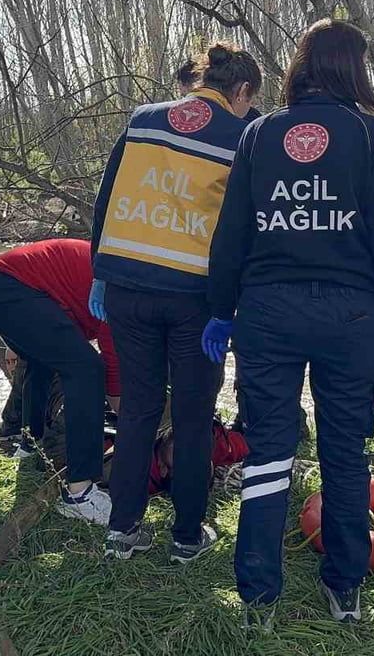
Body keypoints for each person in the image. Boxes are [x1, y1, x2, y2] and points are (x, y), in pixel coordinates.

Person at [202, 19, 374, 627]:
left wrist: (222, 311)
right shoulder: (370, 136)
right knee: (345, 453)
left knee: (269, 452)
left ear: (301, 66)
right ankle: (344, 588)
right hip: (348, 313)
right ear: (355, 69)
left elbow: (232, 235)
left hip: (267, 312)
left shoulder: (260, 133)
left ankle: (258, 599)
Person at [90, 42, 261, 564]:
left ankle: (122, 529)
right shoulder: (243, 137)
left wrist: (100, 272)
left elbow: (108, 196)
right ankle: (187, 535)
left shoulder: (143, 120)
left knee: (138, 408)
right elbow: (244, 229)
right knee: (192, 416)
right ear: (242, 92)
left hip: (126, 288)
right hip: (194, 298)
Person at [0, 239, 121, 524]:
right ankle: (79, 493)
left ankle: (30, 443)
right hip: (11, 286)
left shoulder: (119, 271)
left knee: (42, 363)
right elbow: (111, 368)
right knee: (87, 369)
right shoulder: (124, 292)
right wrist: (130, 421)